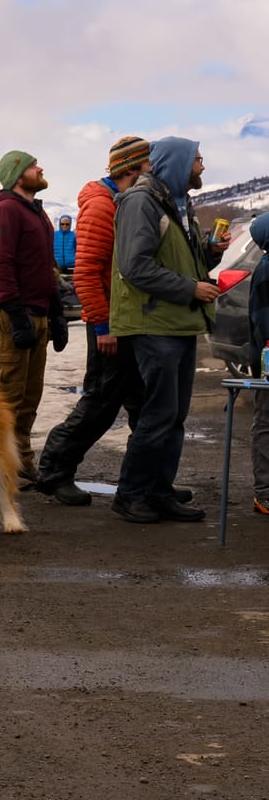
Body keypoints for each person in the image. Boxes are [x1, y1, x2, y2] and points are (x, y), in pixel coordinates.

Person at [110, 138, 227, 524]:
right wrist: (190, 288)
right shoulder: (141, 202)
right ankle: (130, 495)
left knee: (174, 415)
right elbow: (135, 266)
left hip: (179, 321)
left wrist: (209, 253)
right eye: (197, 159)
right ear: (177, 163)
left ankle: (159, 490)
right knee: (158, 415)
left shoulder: (178, 203)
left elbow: (175, 258)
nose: (202, 167)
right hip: (153, 322)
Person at [32, 137, 152, 507]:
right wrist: (103, 326)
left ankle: (148, 482)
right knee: (100, 403)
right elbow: (85, 272)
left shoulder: (120, 201)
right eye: (149, 164)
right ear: (132, 168)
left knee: (142, 405)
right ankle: (53, 472)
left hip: (128, 321)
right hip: (111, 324)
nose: (155, 170)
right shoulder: (102, 206)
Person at [0, 151, 66, 483]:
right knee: (7, 398)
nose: (41, 168)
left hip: (37, 312)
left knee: (30, 397)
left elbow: (46, 268)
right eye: (33, 166)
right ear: (18, 175)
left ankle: (20, 462)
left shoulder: (36, 212)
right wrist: (16, 316)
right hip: (9, 314)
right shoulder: (5, 211)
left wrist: (56, 312)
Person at [248, 211, 269, 518]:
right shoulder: (266, 270)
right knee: (266, 421)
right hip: (268, 360)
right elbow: (263, 323)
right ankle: (265, 492)